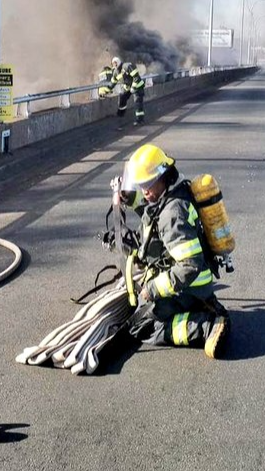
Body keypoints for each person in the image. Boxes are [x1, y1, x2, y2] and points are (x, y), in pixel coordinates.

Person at [115, 143, 230, 358]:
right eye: (140, 185)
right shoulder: (175, 193)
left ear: (163, 176)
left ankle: (205, 326)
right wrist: (133, 201)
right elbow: (154, 217)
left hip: (189, 287)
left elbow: (189, 265)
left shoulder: (172, 214)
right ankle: (206, 308)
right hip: (194, 285)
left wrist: (154, 289)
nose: (144, 190)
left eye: (148, 184)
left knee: (142, 326)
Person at [100, 56, 146, 126]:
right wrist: (105, 91)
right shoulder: (115, 72)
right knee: (122, 97)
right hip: (128, 87)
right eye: (113, 64)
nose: (114, 65)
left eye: (115, 63)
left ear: (118, 62)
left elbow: (136, 77)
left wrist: (133, 87)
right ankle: (120, 115)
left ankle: (140, 120)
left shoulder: (127, 66)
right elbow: (112, 84)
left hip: (137, 85)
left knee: (137, 101)